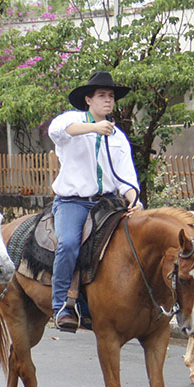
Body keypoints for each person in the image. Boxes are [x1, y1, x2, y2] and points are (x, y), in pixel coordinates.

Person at [48, 71, 141, 333]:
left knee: (131, 245)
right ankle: (61, 306)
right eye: (102, 96)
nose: (108, 101)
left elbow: (126, 179)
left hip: (108, 203)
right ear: (88, 100)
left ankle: (113, 303)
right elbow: (57, 131)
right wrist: (93, 128)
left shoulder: (118, 137)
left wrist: (134, 200)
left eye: (111, 96)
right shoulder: (73, 120)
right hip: (73, 202)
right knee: (68, 244)